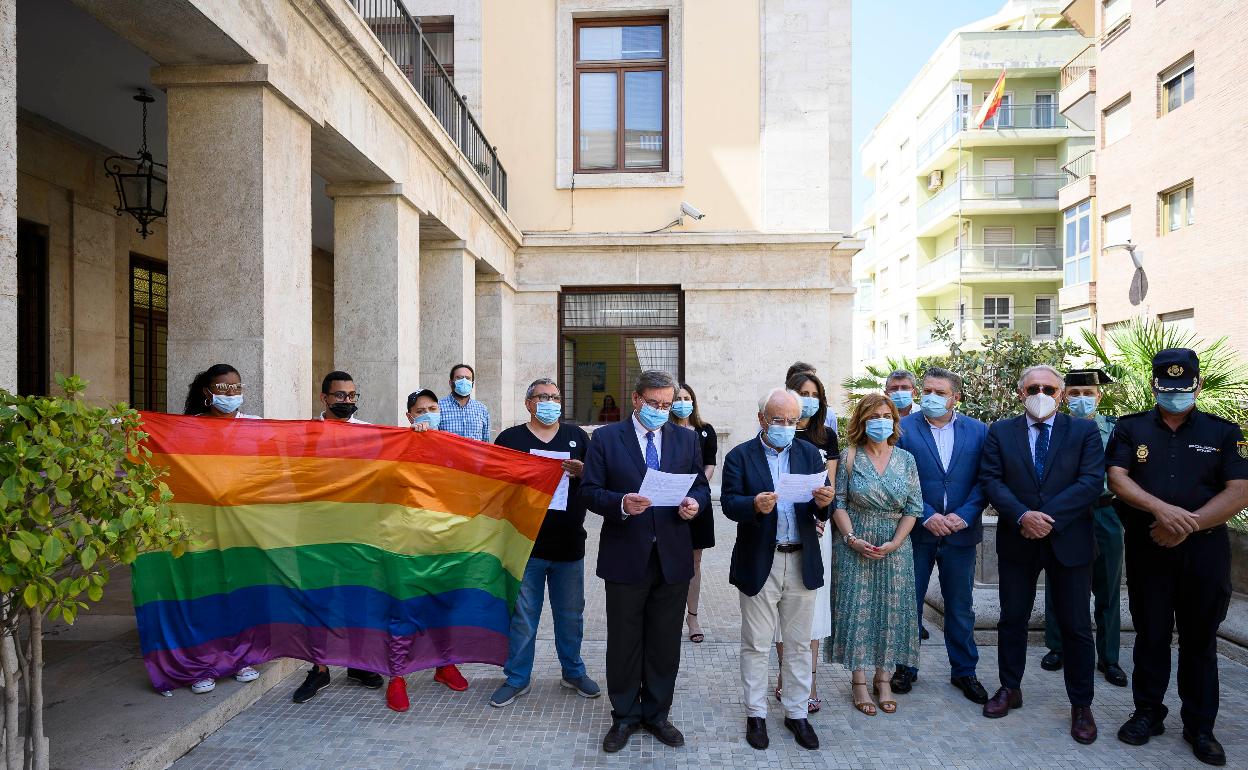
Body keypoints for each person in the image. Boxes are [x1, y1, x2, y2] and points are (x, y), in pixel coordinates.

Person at [1107, 349, 1248, 766]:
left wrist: (1186, 524)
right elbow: (1117, 477)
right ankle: (1148, 713)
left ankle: (1200, 726)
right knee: (1151, 635)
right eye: (1167, 389)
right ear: (1154, 387)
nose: (1175, 396)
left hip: (1204, 551)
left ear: (1198, 385)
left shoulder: (1224, 432)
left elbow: (1239, 491)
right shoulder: (1130, 428)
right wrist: (1161, 512)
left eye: (1183, 389)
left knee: (1199, 639)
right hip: (1149, 547)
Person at [580, 370, 712, 753]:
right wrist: (620, 502)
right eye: (654, 403)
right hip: (626, 555)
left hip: (672, 556)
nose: (660, 410)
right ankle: (624, 716)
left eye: (667, 405)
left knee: (664, 642)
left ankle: (656, 714)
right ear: (636, 399)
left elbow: (699, 485)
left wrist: (694, 504)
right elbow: (589, 490)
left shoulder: (686, 439)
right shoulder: (605, 438)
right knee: (624, 640)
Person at [979, 364, 1103, 745]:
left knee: (1077, 626)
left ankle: (1081, 705)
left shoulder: (1083, 431)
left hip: (1069, 539)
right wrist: (1022, 515)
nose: (1041, 394)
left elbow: (1090, 481)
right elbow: (991, 479)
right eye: (1034, 387)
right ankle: (1010, 688)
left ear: (1060, 394)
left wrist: (1048, 518)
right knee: (1012, 618)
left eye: (1050, 389)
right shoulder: (1001, 431)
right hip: (1019, 539)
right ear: (1021, 393)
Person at [721, 388, 833, 751]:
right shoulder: (740, 455)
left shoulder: (809, 454)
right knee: (756, 643)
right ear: (762, 420)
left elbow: (824, 504)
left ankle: (796, 713)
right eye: (778, 420)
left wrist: (824, 503)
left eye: (791, 421)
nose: (786, 427)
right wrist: (753, 505)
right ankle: (756, 714)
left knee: (799, 644)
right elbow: (728, 503)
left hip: (801, 558)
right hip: (760, 559)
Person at [488, 379, 600, 708]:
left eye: (555, 397)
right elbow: (496, 485)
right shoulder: (511, 439)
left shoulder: (578, 438)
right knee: (523, 616)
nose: (550, 402)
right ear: (528, 403)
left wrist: (583, 472)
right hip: (526, 546)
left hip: (568, 546)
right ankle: (518, 677)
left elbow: (597, 482)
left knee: (570, 615)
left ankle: (573, 671)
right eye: (543, 397)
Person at [892, 367, 989, 704]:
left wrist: (964, 515)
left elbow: (986, 479)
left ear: (955, 397)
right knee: (909, 602)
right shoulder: (903, 429)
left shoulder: (979, 431)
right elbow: (898, 480)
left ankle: (964, 671)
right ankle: (905, 667)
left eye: (939, 392)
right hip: (917, 533)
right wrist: (928, 514)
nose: (931, 397)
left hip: (961, 534)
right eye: (927, 391)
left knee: (961, 606)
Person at [826, 393, 922, 716]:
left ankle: (884, 679)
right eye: (873, 416)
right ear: (861, 422)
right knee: (858, 609)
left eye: (886, 415)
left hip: (895, 546)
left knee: (891, 610)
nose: (880, 421)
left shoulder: (906, 460)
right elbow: (838, 503)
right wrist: (852, 538)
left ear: (894, 420)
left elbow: (913, 507)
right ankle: (859, 682)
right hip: (855, 543)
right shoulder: (849, 456)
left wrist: (896, 542)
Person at [292, 371, 385, 703]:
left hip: (356, 531)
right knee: (317, 600)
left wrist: (420, 432)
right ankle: (319, 670)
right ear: (324, 399)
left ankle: (357, 664)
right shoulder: (304, 434)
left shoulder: (369, 434)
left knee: (356, 599)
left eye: (352, 396)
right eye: (340, 396)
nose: (347, 402)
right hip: (314, 531)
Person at [1039, 369, 1128, 688]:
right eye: (1074, 393)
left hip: (1104, 512)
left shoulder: (1116, 430)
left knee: (1108, 585)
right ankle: (1057, 647)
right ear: (1063, 396)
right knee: (1059, 580)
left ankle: (1109, 657)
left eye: (1087, 394)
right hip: (1067, 514)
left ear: (1098, 396)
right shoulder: (1051, 428)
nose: (1080, 400)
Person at [178, 364, 261, 695]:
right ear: (206, 392)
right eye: (223, 388)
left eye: (236, 387)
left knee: (240, 592)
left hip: (242, 524)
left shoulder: (256, 427)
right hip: (200, 526)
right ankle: (203, 664)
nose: (231, 394)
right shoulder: (187, 429)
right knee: (204, 594)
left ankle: (242, 658)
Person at [773, 371, 838, 713]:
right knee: (784, 607)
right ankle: (785, 677)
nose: (809, 398)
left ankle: (809, 681)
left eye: (814, 393)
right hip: (783, 529)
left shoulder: (826, 435)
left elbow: (830, 485)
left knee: (811, 610)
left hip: (817, 531)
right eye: (802, 392)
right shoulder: (775, 434)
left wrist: (822, 514)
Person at [669, 383, 717, 644]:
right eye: (678, 398)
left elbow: (710, 464)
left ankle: (693, 616)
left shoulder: (704, 430)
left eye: (688, 397)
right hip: (669, 502)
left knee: (695, 561)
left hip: (697, 501)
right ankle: (670, 614)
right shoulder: (664, 429)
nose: (683, 402)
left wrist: (697, 486)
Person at [438, 363, 491, 442]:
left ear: (472, 383)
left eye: (468, 378)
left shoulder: (482, 409)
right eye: (459, 378)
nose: (464, 381)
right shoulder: (438, 407)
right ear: (450, 382)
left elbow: (485, 441)